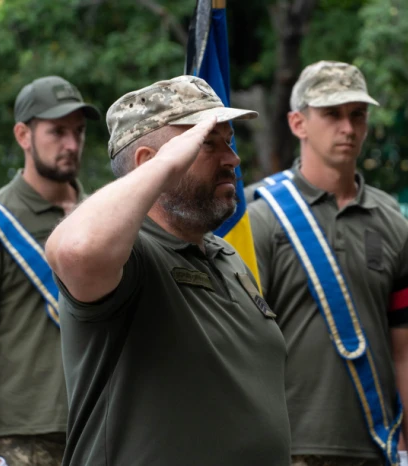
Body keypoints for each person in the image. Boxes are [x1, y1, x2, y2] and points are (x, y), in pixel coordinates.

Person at [45, 75, 292, 466]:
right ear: (149, 163)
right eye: (207, 143)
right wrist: (169, 163)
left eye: (228, 142)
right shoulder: (133, 257)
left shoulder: (225, 254)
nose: (233, 159)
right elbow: (75, 250)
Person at [246, 61, 408, 466]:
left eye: (357, 115)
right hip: (285, 446)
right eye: (331, 114)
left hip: (372, 445)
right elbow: (238, 345)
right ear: (298, 123)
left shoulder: (393, 222)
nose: (347, 127)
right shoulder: (260, 217)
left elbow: (407, 350)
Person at [0, 75, 101, 466]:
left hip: (101, 428)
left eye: (79, 132)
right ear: (23, 135)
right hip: (24, 439)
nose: (71, 144)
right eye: (57, 131)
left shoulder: (103, 217)